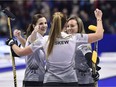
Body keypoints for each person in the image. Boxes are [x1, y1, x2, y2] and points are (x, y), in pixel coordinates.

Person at [6, 8, 104, 87]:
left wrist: (12, 43)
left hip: (50, 82)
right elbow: (99, 35)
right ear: (65, 25)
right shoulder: (75, 37)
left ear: (52, 24)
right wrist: (99, 18)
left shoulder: (44, 40)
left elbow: (20, 52)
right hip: (70, 82)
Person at [13, 14, 48, 87]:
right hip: (33, 81)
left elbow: (28, 46)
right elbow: (32, 40)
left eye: (45, 23)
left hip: (39, 79)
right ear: (34, 26)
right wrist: (34, 32)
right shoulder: (35, 37)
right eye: (41, 23)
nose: (44, 25)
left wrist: (19, 37)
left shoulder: (41, 38)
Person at [65, 15, 101, 87]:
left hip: (83, 82)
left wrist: (93, 63)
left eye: (72, 26)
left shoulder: (82, 40)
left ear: (79, 27)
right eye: (67, 26)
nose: (69, 28)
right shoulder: (65, 40)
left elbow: (88, 55)